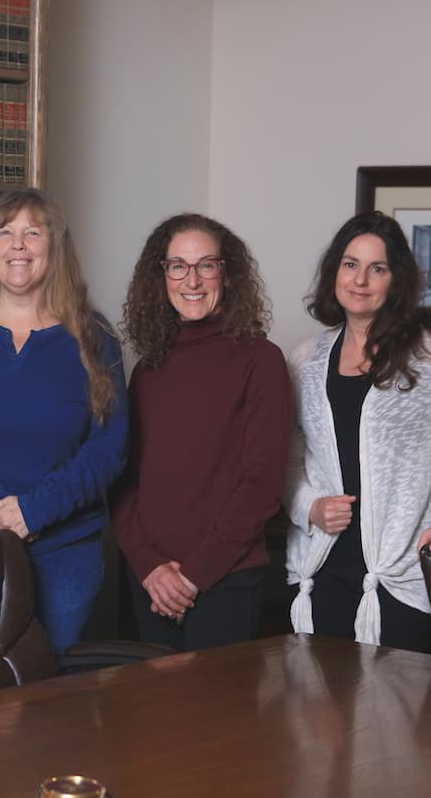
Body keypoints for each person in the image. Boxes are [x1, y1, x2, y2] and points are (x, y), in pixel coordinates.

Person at [285, 211, 431, 653]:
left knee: (399, 713)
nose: (361, 280)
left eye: (377, 268)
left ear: (396, 279)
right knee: (319, 712)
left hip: (404, 570)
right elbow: (290, 453)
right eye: (350, 264)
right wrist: (308, 505)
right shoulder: (306, 357)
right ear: (334, 272)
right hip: (323, 565)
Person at [0, 188, 127, 656]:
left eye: (32, 233)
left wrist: (37, 510)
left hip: (66, 551)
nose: (18, 245)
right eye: (6, 232)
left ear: (54, 248)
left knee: (53, 699)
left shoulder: (93, 336)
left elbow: (110, 448)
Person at [114, 213, 291, 652]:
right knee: (151, 719)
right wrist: (150, 568)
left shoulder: (262, 361)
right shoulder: (149, 367)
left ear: (227, 274)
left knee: (219, 721)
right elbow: (122, 481)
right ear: (161, 276)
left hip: (225, 580)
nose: (191, 280)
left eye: (206, 265)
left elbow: (262, 487)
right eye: (177, 265)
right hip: (148, 581)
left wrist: (190, 577)